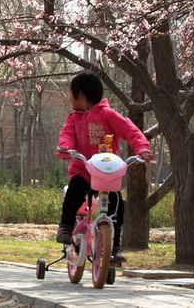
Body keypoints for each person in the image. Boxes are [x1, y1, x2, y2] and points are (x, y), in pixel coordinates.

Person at [55, 71, 154, 263]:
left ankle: (114, 247)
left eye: (71, 95)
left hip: (106, 174)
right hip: (82, 170)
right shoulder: (73, 119)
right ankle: (66, 227)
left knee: (117, 205)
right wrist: (65, 148)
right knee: (74, 193)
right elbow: (66, 135)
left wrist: (142, 148)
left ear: (80, 95)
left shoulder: (107, 115)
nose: (70, 99)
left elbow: (130, 130)